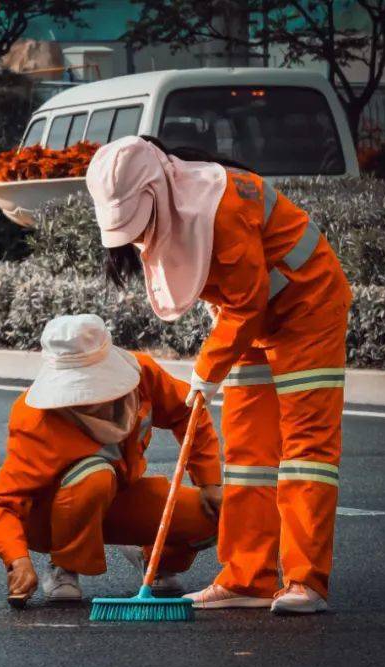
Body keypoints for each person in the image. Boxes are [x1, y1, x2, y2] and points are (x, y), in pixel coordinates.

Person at [86, 136, 353, 614]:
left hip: (307, 308)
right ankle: (247, 579)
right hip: (249, 320)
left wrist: (206, 370)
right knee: (249, 452)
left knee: (305, 449)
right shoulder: (172, 200)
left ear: (154, 190)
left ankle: (304, 581)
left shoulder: (223, 204)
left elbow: (246, 301)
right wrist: (212, 363)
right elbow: (237, 302)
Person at [0, 314, 222, 604]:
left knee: (213, 514)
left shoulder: (143, 374)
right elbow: (4, 504)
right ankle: (64, 565)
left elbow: (189, 411)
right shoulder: (35, 418)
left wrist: (210, 482)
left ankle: (155, 562)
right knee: (94, 475)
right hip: (52, 516)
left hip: (120, 496)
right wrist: (17, 560)